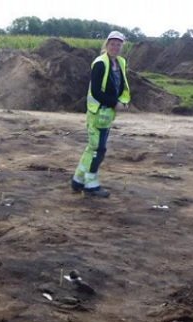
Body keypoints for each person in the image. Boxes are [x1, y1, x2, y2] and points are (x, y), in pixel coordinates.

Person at [71, 30, 132, 198]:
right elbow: (96, 91)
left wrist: (122, 101)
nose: (116, 47)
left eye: (119, 45)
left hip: (107, 114)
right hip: (97, 113)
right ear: (107, 45)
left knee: (92, 148)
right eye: (113, 44)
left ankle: (78, 180)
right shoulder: (100, 63)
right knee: (99, 149)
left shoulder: (120, 62)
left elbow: (120, 85)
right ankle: (90, 185)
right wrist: (114, 103)